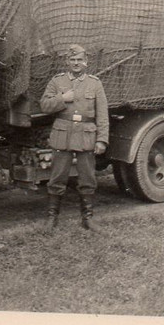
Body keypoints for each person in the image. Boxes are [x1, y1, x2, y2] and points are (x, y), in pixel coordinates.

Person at [39, 44, 109, 231]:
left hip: (86, 136)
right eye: (72, 60)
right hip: (63, 135)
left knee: (87, 179)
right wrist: (63, 99)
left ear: (86, 62)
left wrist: (102, 139)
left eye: (79, 60)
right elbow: (44, 106)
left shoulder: (95, 83)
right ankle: (52, 218)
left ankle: (88, 218)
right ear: (67, 62)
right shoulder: (57, 82)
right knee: (57, 178)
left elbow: (102, 115)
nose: (76, 63)